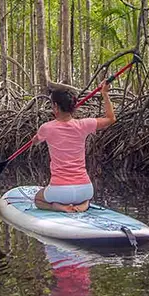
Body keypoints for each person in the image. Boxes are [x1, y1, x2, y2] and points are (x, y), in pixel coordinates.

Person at [33, 80, 115, 213]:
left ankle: (58, 207)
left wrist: (35, 139)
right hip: (85, 189)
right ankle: (84, 205)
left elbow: (36, 141)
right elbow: (111, 119)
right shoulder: (84, 124)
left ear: (55, 106)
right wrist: (105, 94)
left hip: (59, 191)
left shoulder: (46, 128)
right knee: (85, 198)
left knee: (38, 200)